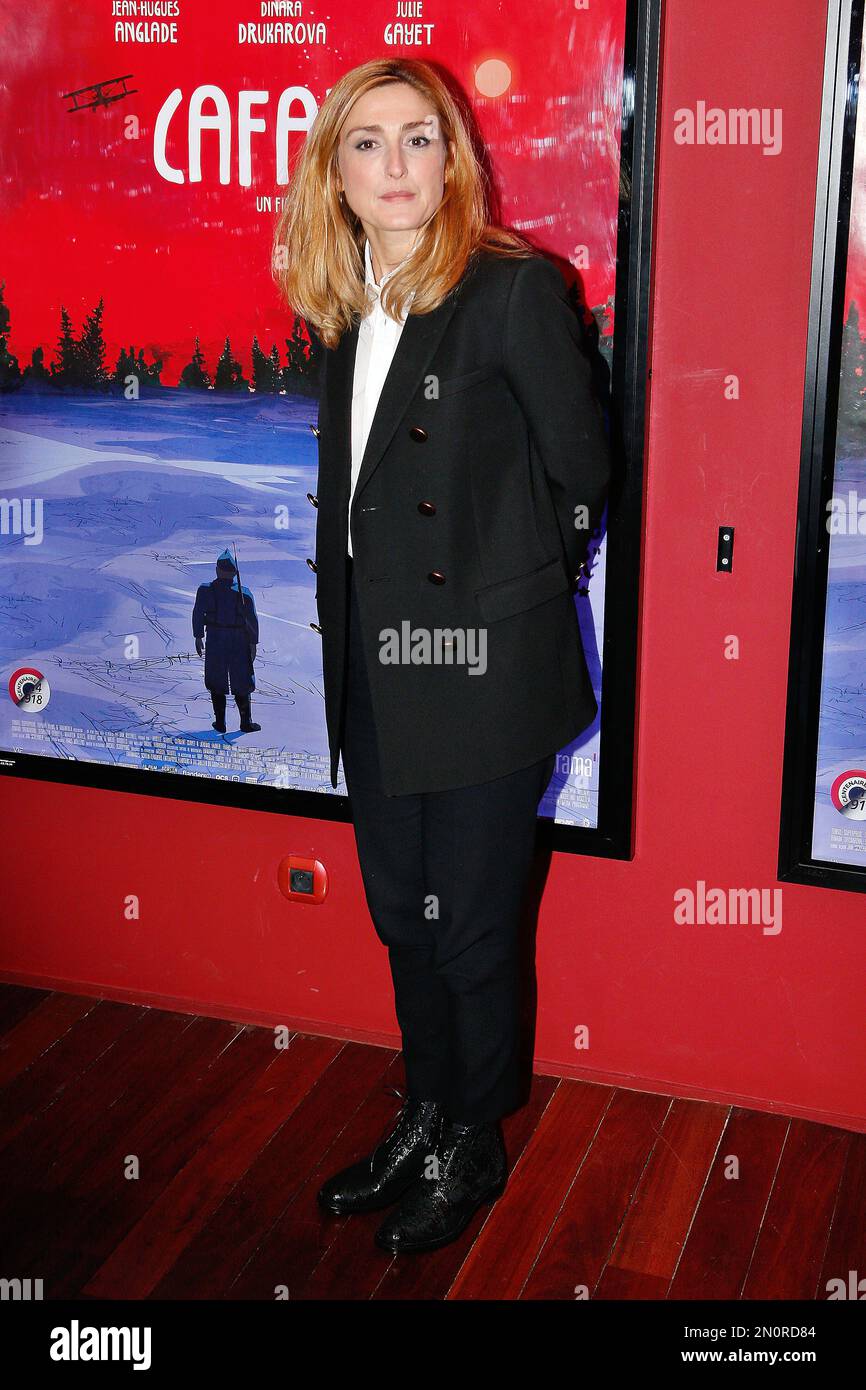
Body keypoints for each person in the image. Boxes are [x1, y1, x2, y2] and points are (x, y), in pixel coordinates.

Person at [273, 57, 611, 1254]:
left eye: (419, 138)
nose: (396, 165)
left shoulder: (512, 290)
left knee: (468, 924)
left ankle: (473, 1138)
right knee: (399, 917)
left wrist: (506, 598)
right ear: (337, 174)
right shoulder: (338, 302)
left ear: (452, 156)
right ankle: (422, 1111)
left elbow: (585, 469)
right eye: (367, 144)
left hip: (476, 670)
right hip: (370, 671)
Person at [192, 548, 260, 734]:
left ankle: (220, 723)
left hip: (216, 639)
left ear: (217, 570)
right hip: (238, 640)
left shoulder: (205, 590)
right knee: (241, 680)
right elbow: (252, 621)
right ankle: (245, 723)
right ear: (235, 573)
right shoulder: (244, 593)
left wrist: (198, 636)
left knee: (217, 680)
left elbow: (198, 614)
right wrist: (252, 644)